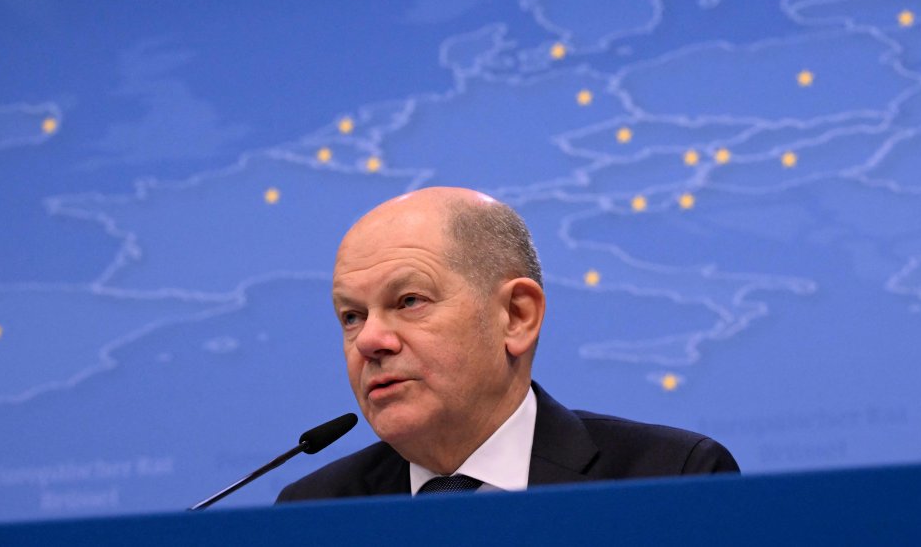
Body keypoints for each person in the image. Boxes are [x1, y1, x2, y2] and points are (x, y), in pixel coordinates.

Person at [276, 187, 737, 500]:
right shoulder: (315, 510)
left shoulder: (670, 481)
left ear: (517, 316)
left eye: (410, 300)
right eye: (352, 316)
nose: (370, 341)